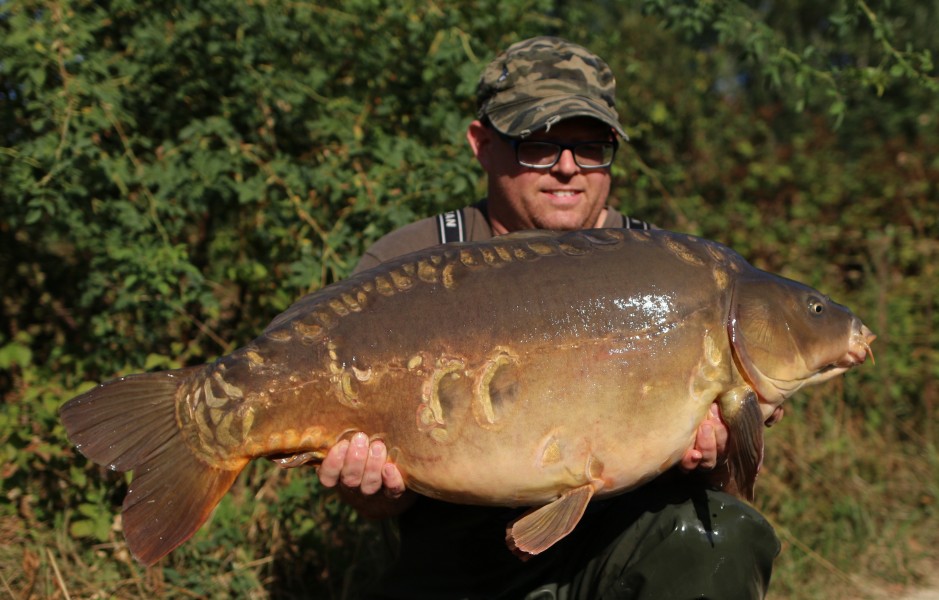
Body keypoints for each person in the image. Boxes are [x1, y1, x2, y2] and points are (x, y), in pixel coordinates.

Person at [317, 36, 780, 599]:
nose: (567, 168)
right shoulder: (406, 268)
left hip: (622, 543)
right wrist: (370, 488)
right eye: (538, 144)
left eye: (589, 146)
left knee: (717, 536)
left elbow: (722, 478)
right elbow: (373, 499)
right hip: (459, 559)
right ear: (482, 144)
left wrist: (712, 454)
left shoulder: (667, 269)